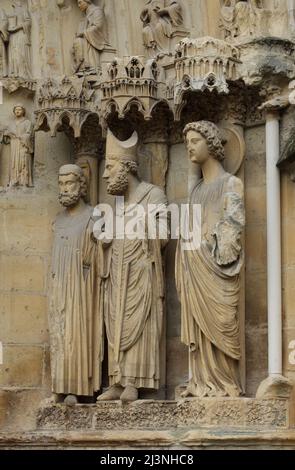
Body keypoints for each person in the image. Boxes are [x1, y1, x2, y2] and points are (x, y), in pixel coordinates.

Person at [97, 130, 168, 402]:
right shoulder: (115, 206)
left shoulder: (153, 196)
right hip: (116, 272)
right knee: (115, 323)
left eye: (110, 168)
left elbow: (163, 235)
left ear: (127, 168)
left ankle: (135, 381)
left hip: (141, 273)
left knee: (140, 324)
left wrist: (138, 224)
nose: (105, 176)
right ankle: (116, 380)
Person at [176, 121, 245, 398]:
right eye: (187, 142)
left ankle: (225, 383)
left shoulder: (232, 182)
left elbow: (234, 225)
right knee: (199, 331)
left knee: (223, 323)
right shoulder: (195, 192)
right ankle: (201, 382)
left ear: (212, 144)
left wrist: (209, 246)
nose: (190, 147)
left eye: (195, 141)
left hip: (218, 269)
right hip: (194, 269)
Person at [49, 164, 103, 404]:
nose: (64, 189)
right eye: (61, 184)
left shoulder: (94, 215)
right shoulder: (58, 220)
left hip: (83, 286)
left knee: (77, 333)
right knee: (60, 334)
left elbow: (103, 253)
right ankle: (59, 385)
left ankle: (77, 387)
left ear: (81, 186)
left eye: (69, 183)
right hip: (59, 283)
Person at [73, 0, 107, 74]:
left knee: (80, 41)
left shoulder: (97, 11)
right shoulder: (86, 16)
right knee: (77, 42)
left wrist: (83, 33)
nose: (79, 5)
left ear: (87, 1)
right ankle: (83, 68)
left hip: (96, 39)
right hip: (87, 38)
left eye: (80, 2)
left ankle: (92, 68)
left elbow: (98, 26)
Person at [7, 105, 33, 187]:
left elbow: (29, 134)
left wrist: (22, 137)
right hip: (14, 145)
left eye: (20, 109)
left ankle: (24, 181)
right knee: (14, 162)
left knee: (23, 161)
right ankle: (14, 180)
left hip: (23, 145)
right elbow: (8, 133)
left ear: (23, 111)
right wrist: (9, 134)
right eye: (16, 109)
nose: (17, 111)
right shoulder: (11, 124)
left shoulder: (27, 122)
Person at [8, 0, 31, 78]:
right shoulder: (11, 13)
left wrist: (18, 27)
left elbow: (28, 22)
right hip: (13, 36)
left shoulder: (23, 10)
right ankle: (15, 74)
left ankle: (23, 74)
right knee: (13, 56)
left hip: (21, 34)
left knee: (21, 54)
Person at [0, 8, 8, 77]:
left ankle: (2, 73)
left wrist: (1, 28)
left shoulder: (1, 11)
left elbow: (5, 22)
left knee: (1, 55)